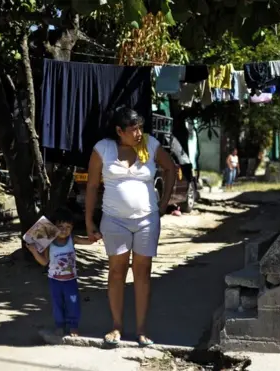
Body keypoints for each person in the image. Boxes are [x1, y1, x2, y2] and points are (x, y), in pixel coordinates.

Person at [84, 107, 177, 347]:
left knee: (143, 273)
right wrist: (88, 221)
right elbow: (92, 187)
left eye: (140, 128)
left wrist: (165, 202)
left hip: (147, 219)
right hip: (114, 220)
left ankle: (142, 330)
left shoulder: (150, 144)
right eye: (133, 129)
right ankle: (116, 326)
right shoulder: (102, 149)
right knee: (116, 271)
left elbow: (171, 169)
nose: (138, 133)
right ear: (119, 131)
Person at [27, 207, 93, 337]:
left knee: (73, 303)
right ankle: (60, 325)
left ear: (72, 228)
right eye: (60, 226)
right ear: (53, 227)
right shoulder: (49, 243)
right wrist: (34, 251)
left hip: (71, 281)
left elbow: (89, 241)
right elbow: (44, 262)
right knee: (57, 304)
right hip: (54, 281)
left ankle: (73, 325)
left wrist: (95, 236)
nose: (64, 230)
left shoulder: (72, 239)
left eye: (68, 227)